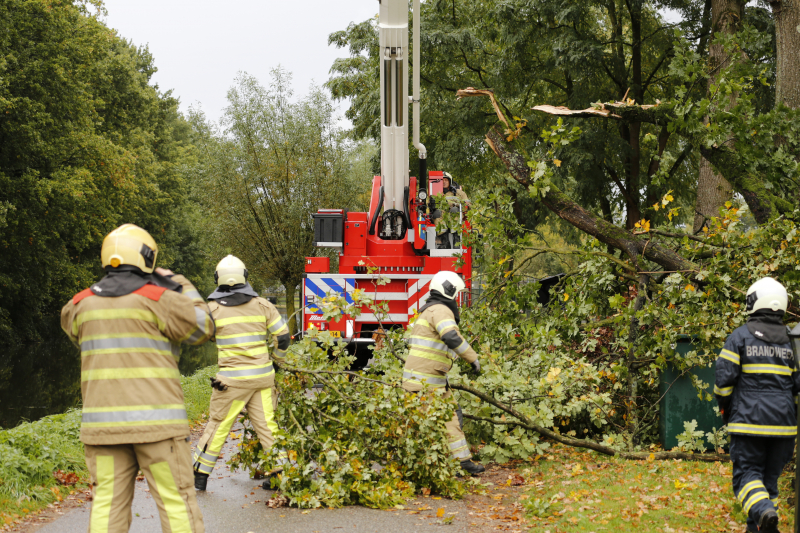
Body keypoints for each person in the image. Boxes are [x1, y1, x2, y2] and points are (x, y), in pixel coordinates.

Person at [61, 223, 214, 533]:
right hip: (158, 428)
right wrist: (179, 283)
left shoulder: (78, 305)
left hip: (103, 430)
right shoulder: (161, 299)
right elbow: (204, 328)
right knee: (175, 501)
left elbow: (78, 335)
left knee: (106, 505)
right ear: (148, 257)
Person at [192, 255, 292, 491]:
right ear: (244, 276)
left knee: (219, 425)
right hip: (262, 379)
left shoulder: (211, 310)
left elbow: (199, 336)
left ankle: (200, 475)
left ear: (218, 278)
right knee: (267, 426)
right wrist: (277, 361)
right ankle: (281, 475)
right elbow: (283, 338)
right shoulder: (263, 305)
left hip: (232, 383)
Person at [714, 277, 799, 533]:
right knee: (768, 484)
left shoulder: (740, 336)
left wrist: (726, 409)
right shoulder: (793, 341)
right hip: (784, 427)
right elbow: (797, 385)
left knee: (746, 477)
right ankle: (763, 525)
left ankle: (763, 511)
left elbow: (723, 382)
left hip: (749, 424)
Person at [402, 270, 485, 475]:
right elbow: (451, 337)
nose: (456, 299)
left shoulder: (428, 310)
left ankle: (456, 461)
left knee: (450, 415)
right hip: (427, 382)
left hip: (427, 380)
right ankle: (449, 463)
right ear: (448, 290)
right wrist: (473, 358)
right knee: (445, 419)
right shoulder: (440, 310)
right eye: (456, 293)